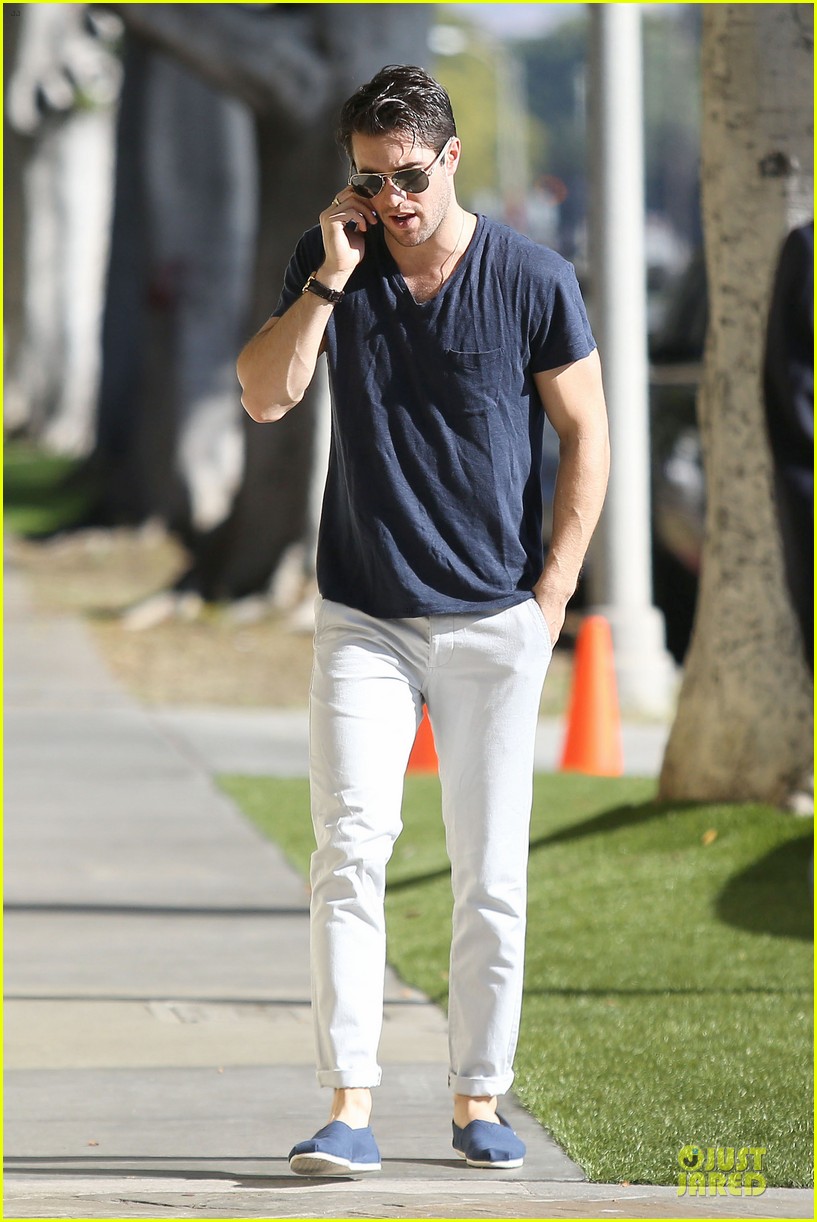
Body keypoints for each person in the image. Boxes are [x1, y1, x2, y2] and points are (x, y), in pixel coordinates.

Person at [237, 64, 610, 1175]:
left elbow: (586, 434)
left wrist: (552, 597)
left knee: (489, 872)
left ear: (449, 159)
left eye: (407, 176)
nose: (391, 199)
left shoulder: (532, 277)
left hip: (496, 617)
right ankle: (348, 1105)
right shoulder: (333, 264)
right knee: (349, 849)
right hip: (365, 613)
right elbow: (264, 395)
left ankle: (476, 1098)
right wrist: (325, 280)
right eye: (369, 178)